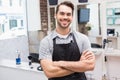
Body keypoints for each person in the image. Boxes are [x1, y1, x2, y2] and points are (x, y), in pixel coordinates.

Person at [39, 1, 95, 80]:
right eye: (62, 13)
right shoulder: (46, 42)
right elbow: (49, 72)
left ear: (72, 17)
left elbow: (90, 66)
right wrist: (79, 65)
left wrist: (60, 63)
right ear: (55, 15)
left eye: (68, 14)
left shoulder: (83, 39)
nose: (65, 17)